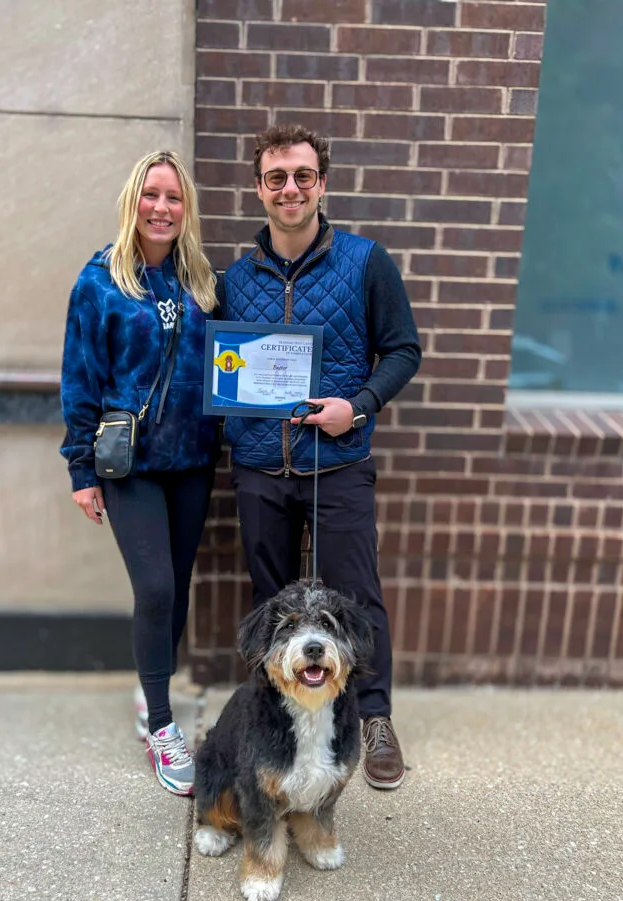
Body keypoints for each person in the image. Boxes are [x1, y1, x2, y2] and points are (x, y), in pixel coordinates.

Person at [218, 124, 422, 790]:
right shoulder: (235, 278)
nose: (290, 189)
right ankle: (274, 719)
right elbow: (221, 363)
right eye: (276, 178)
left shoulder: (366, 262)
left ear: (321, 184)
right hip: (258, 468)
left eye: (302, 176)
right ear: (259, 189)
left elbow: (403, 351)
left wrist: (356, 407)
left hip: (337, 464)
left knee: (356, 600)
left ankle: (374, 719)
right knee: (274, 605)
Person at [60, 150, 218, 797]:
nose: (162, 207)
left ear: (187, 210)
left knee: (177, 590)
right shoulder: (100, 281)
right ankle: (161, 724)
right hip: (128, 464)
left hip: (193, 461)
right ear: (134, 201)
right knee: (154, 588)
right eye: (151, 195)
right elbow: (80, 378)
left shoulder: (202, 282)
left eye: (174, 198)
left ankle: (145, 685)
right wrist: (80, 469)